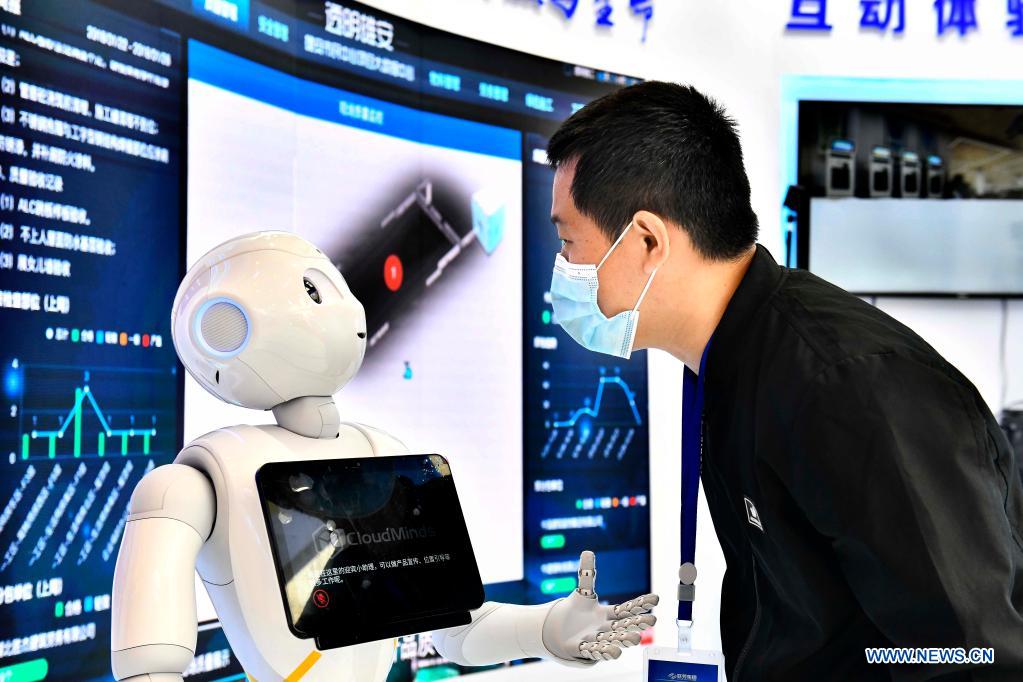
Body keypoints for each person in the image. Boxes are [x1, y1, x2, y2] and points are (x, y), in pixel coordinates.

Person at [545, 81, 1023, 680]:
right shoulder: (734, 362)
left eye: (567, 242)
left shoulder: (847, 386)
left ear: (646, 240)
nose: (561, 269)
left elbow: (969, 654)